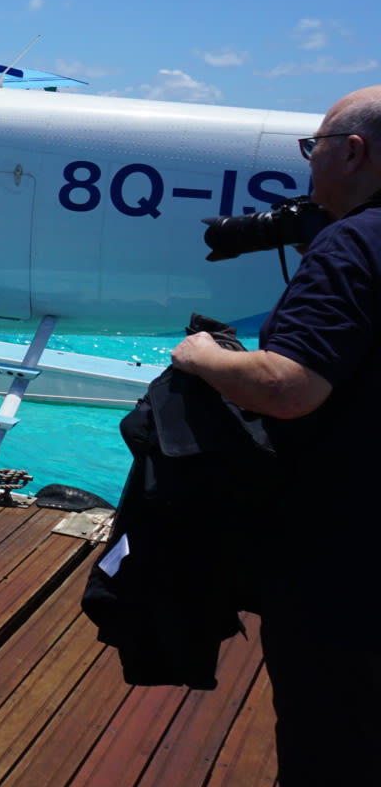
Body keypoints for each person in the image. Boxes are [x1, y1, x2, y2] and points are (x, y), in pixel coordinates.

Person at [169, 85, 381, 785]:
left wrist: (203, 356)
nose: (308, 164)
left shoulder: (356, 242)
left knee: (332, 744)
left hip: (345, 567)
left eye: (314, 148)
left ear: (352, 153)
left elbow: (288, 387)